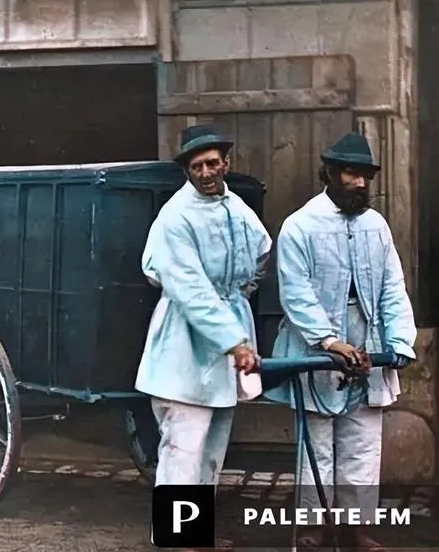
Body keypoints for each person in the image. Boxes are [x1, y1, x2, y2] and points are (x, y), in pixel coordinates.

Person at [266, 132, 417, 551]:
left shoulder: (376, 226)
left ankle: (356, 527)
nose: (359, 183)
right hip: (317, 343)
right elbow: (296, 294)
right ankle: (313, 526)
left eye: (365, 175)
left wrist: (399, 341)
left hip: (367, 338)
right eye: (350, 173)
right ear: (329, 174)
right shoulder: (300, 226)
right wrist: (329, 342)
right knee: (317, 444)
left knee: (363, 443)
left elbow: (392, 287)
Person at [135, 125, 272, 546]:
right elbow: (190, 289)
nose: (206, 173)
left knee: (213, 449)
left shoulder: (237, 208)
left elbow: (262, 253)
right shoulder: (175, 217)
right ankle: (177, 537)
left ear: (225, 163)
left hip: (229, 339)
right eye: (197, 167)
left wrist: (238, 296)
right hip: (184, 341)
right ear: (187, 171)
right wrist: (234, 341)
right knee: (183, 446)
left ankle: (196, 534)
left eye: (213, 163)